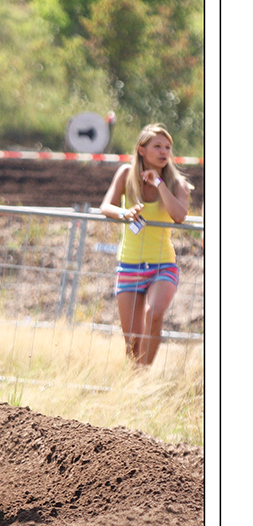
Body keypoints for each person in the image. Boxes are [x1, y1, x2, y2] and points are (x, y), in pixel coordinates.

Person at [100, 123, 192, 366]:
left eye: (168, 147)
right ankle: (134, 377)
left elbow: (179, 215)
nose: (164, 152)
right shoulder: (125, 174)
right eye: (157, 146)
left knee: (153, 315)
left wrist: (159, 183)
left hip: (162, 266)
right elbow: (105, 206)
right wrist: (125, 213)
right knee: (131, 339)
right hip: (129, 266)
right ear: (141, 150)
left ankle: (144, 376)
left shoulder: (177, 183)